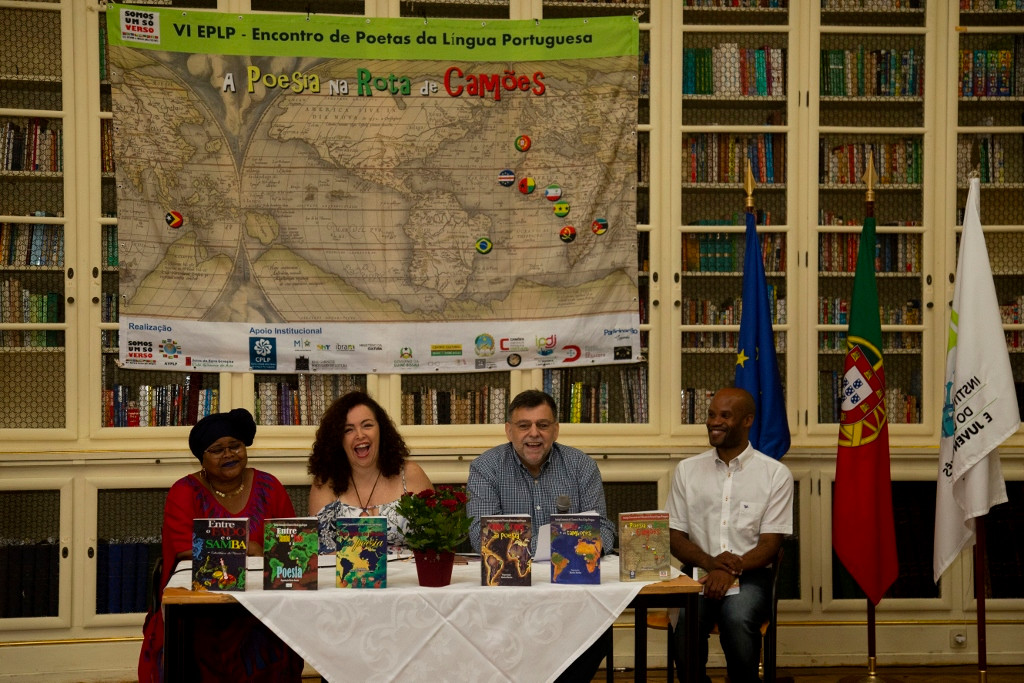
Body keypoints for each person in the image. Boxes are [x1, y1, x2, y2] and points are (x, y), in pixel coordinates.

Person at [138, 408, 304, 682]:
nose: (228, 455)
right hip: (202, 609)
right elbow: (183, 549)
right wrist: (248, 547)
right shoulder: (184, 491)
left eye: (235, 446)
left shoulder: (269, 486)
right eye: (217, 450)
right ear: (202, 458)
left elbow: (291, 542)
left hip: (264, 606)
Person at [467, 389, 615, 682]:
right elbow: (481, 539)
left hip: (571, 594)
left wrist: (529, 546)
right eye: (524, 425)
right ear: (509, 430)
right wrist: (561, 542)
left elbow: (606, 532)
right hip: (508, 598)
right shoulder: (486, 468)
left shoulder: (581, 466)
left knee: (600, 632)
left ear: (555, 430)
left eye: (543, 425)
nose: (534, 433)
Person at [666, 387, 793, 683]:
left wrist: (730, 569)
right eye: (711, 414)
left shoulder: (775, 474)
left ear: (747, 420)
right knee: (685, 621)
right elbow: (674, 536)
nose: (714, 422)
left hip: (751, 575)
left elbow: (771, 544)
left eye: (725, 416)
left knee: (737, 618)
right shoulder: (687, 470)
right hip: (698, 572)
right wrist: (712, 565)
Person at [308, 390, 432, 553]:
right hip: (347, 570)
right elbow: (319, 554)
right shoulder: (324, 482)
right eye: (348, 430)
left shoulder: (411, 474)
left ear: (381, 430)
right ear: (338, 439)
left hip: (410, 569)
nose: (359, 435)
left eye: (367, 425)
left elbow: (438, 540)